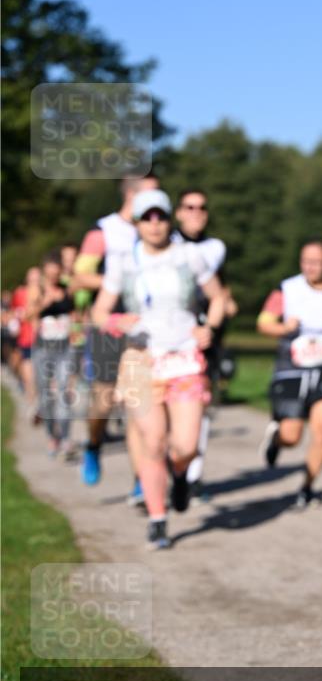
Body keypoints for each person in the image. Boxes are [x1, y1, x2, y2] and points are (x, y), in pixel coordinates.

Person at [92, 190, 226, 549]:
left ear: (170, 219)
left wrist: (207, 328)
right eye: (146, 217)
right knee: (153, 441)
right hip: (140, 360)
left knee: (183, 446)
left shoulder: (190, 255)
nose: (154, 224)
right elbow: (99, 313)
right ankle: (157, 518)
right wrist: (117, 320)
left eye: (160, 216)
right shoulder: (124, 262)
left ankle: (180, 475)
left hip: (183, 359)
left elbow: (218, 299)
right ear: (136, 223)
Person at [71, 175, 159, 489]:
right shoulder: (104, 231)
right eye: (152, 193)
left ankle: (142, 476)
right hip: (108, 324)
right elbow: (80, 277)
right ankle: (94, 445)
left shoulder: (159, 231)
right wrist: (119, 281)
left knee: (141, 402)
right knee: (104, 400)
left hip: (145, 326)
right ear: (132, 196)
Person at [257, 239, 322, 509]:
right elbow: (263, 323)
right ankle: (276, 440)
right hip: (292, 367)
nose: (310, 266)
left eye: (316, 261)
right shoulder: (287, 288)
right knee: (292, 436)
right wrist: (284, 327)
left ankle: (307, 487)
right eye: (305, 261)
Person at [172, 188, 238, 497]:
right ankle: (161, 474)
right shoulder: (164, 244)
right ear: (178, 212)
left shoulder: (216, 247)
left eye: (202, 207)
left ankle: (193, 478)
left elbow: (219, 287)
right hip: (171, 337)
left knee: (202, 404)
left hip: (206, 336)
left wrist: (226, 302)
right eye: (189, 206)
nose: (196, 212)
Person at [28, 251, 75, 458]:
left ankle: (65, 439)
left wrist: (76, 329)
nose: (54, 279)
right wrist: (43, 303)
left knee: (64, 392)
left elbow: (75, 314)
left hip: (64, 347)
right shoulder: (36, 290)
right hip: (43, 349)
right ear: (45, 273)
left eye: (57, 275)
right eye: (50, 275)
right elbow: (28, 315)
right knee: (46, 396)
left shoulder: (67, 289)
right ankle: (51, 436)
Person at [10, 268, 40, 416]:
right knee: (30, 376)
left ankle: (43, 405)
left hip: (43, 340)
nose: (35, 281)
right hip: (26, 339)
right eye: (32, 278)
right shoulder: (19, 293)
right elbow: (15, 313)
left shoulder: (45, 293)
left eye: (37, 278)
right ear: (27, 279)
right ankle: (32, 404)